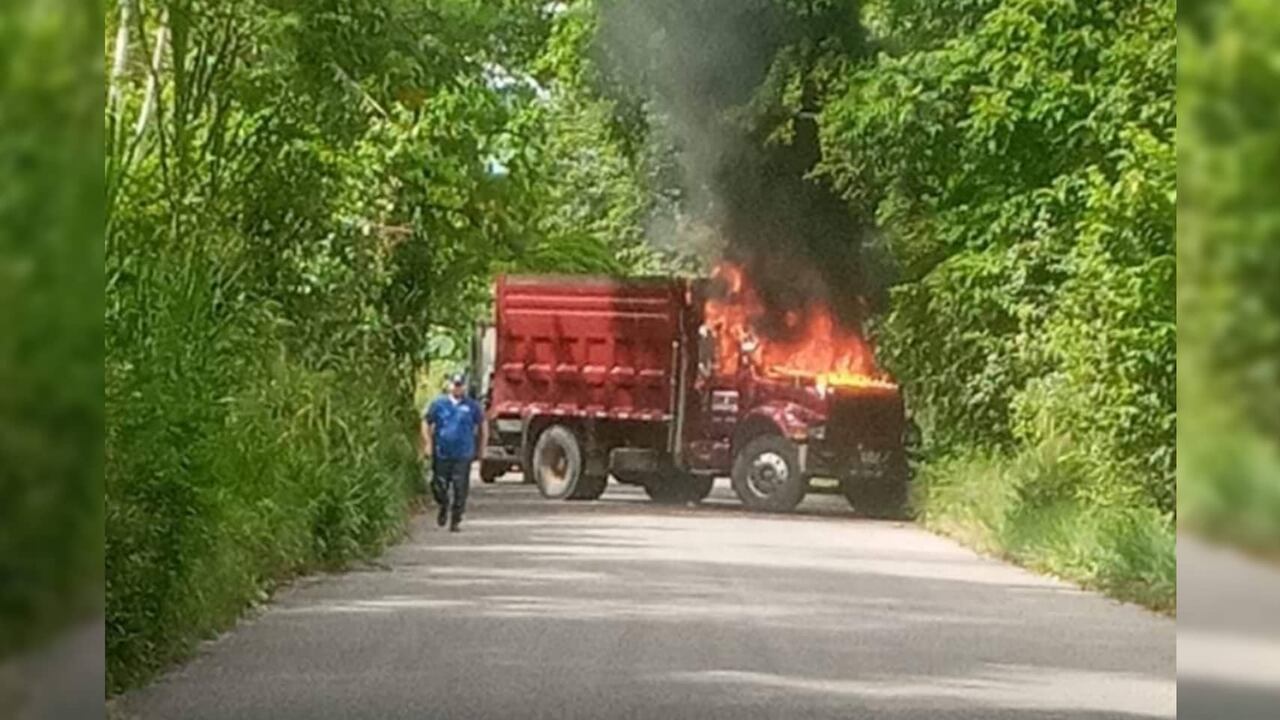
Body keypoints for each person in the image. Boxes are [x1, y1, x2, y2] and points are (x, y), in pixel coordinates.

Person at [422, 372, 487, 532]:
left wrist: (482, 449)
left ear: (464, 387)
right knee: (438, 486)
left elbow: (483, 426)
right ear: (449, 385)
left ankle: (456, 519)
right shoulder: (439, 404)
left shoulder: (472, 406)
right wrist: (428, 444)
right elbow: (426, 422)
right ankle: (443, 506)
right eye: (455, 384)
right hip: (442, 452)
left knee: (460, 488)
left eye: (460, 385)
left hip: (463, 454)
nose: (457, 388)